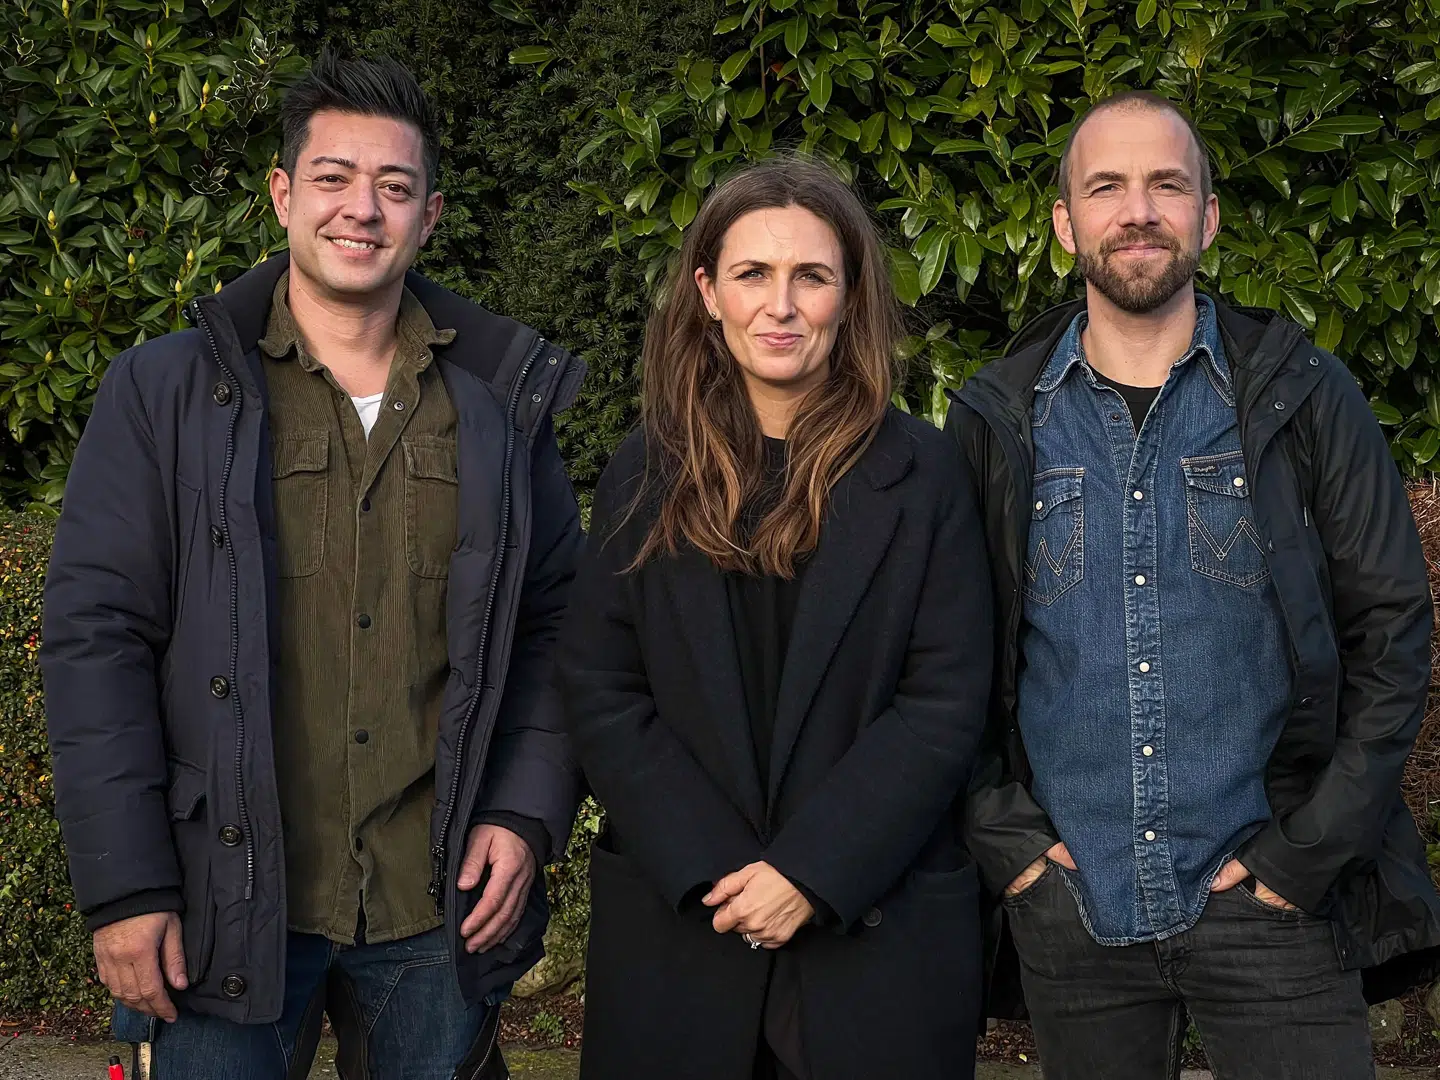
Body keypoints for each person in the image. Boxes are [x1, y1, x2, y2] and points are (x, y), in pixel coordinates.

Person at [41, 52, 583, 1079]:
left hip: (435, 916)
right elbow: (94, 642)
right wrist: (125, 888)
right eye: (333, 178)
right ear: (284, 194)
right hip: (221, 908)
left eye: (394, 186)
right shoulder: (163, 393)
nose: (361, 210)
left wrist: (524, 811)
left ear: (428, 216)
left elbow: (559, 621)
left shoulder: (501, 403)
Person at [948, 89, 1440, 1079]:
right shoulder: (998, 418)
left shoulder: (1304, 393)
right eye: (1107, 187)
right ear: (1065, 224)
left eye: (1167, 184)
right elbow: (942, 652)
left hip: (1275, 904)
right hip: (1074, 911)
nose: (1138, 209)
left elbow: (1391, 630)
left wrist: (1305, 858)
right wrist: (1011, 844)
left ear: (1207, 217)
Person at [557, 156, 993, 1080]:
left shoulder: (925, 473)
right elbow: (603, 686)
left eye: (812, 277)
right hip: (686, 926)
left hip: (873, 932)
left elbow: (946, 697)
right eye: (754, 274)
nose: (781, 306)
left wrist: (813, 872)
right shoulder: (646, 471)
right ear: (708, 292)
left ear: (852, 295)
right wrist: (721, 867)